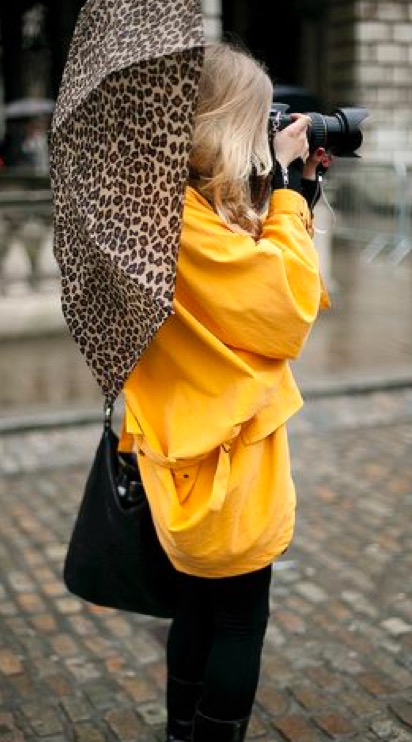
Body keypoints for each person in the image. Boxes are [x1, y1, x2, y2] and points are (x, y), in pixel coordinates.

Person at [119, 40, 330, 742]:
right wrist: (290, 190)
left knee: (195, 608)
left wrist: (294, 195)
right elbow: (285, 310)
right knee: (239, 618)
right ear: (226, 122)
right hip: (228, 454)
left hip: (175, 447)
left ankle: (182, 731)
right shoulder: (187, 225)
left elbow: (240, 279)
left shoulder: (152, 209)